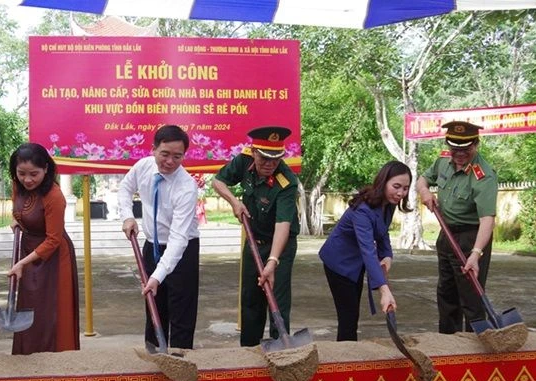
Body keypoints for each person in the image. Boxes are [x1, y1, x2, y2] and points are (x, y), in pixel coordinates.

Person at [212, 126, 300, 347]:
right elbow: (218, 181)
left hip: (280, 245)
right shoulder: (243, 161)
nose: (270, 164)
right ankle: (249, 351)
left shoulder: (286, 181)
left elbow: (283, 224)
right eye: (265, 158)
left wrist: (272, 261)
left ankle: (281, 349)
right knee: (251, 299)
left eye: (276, 159)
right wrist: (235, 202)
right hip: (253, 243)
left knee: (277, 300)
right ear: (254, 152)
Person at [118, 125, 201, 350]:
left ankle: (181, 360)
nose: (170, 162)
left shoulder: (186, 187)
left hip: (182, 251)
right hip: (151, 246)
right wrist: (127, 216)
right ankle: (154, 358)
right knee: (153, 306)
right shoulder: (143, 167)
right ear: (153, 149)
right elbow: (125, 189)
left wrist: (157, 276)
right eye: (165, 154)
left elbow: (178, 239)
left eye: (177, 156)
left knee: (181, 311)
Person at [416, 121, 498, 334]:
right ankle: (449, 344)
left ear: (476, 144)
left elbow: (487, 219)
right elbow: (423, 179)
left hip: (471, 238)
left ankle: (474, 346)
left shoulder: (484, 175)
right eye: (455, 148)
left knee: (471, 297)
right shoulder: (444, 160)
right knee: (446, 293)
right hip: (447, 235)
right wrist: (424, 191)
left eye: (465, 149)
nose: (459, 154)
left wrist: (476, 254)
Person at [318, 161, 413, 341]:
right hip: (339, 263)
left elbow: (382, 234)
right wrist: (384, 291)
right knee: (348, 316)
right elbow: (368, 251)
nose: (401, 193)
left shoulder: (388, 203)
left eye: (406, 188)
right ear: (383, 182)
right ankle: (346, 359)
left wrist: (387, 257)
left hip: (356, 263)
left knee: (352, 314)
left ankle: (350, 353)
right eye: (396, 186)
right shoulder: (362, 210)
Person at [8, 143, 80, 355]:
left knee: (53, 310)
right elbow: (18, 209)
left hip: (55, 257)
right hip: (29, 250)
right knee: (30, 304)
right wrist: (16, 219)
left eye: (34, 174)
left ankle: (58, 360)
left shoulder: (54, 196)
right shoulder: (17, 184)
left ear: (46, 169)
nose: (27, 180)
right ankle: (28, 355)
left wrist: (21, 263)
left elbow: (53, 240)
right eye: (21, 173)